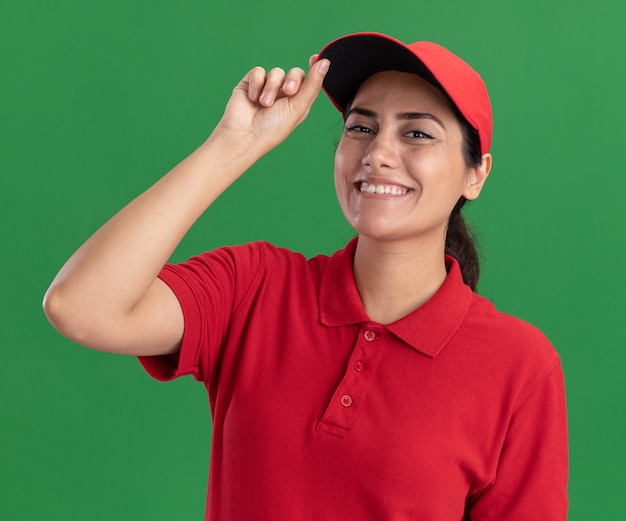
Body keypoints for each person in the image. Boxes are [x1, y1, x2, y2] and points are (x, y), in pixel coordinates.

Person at [43, 32, 568, 520]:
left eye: (416, 133)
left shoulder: (520, 366)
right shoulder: (254, 286)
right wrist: (232, 145)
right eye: (361, 127)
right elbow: (80, 306)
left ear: (476, 174)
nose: (379, 153)